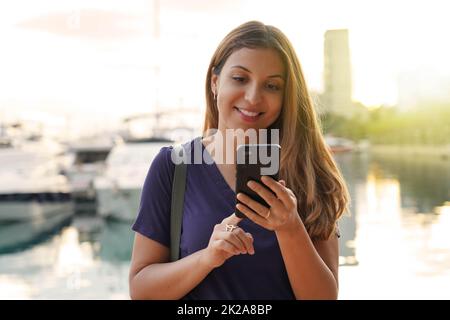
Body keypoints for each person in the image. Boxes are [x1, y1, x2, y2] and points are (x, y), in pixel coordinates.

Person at [129, 21, 349, 300]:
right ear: (215, 82)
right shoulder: (173, 166)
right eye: (240, 78)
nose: (254, 97)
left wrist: (291, 228)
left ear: (286, 96)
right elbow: (141, 290)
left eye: (272, 85)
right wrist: (206, 258)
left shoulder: (311, 172)